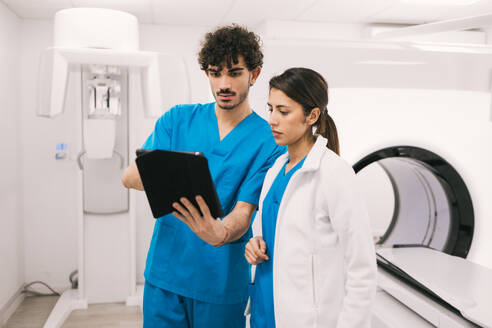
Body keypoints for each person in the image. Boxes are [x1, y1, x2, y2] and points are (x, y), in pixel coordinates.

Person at [121, 25, 285, 328]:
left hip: (220, 281)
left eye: (234, 73)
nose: (223, 83)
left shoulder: (268, 141)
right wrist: (174, 177)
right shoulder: (177, 119)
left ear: (255, 74)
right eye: (214, 73)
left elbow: (243, 214)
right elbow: (130, 176)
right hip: (165, 274)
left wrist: (220, 233)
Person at [244, 67, 377, 328]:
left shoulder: (334, 173)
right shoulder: (276, 170)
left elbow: (362, 269)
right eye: (270, 109)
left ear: (312, 116)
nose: (272, 119)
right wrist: (254, 244)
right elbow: (267, 231)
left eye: (283, 111)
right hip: (263, 313)